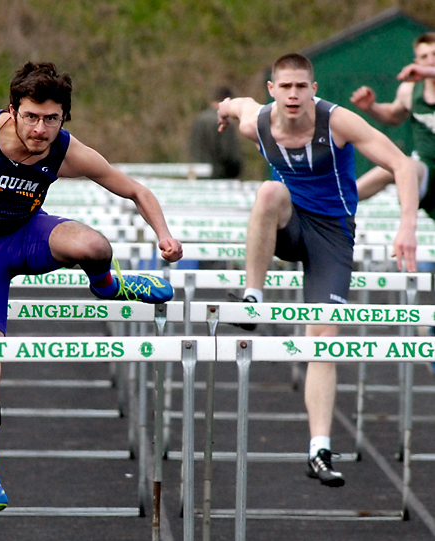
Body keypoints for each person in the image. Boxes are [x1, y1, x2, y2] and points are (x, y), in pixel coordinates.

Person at [0, 61, 183, 518]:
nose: (41, 130)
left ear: (64, 118)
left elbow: (134, 190)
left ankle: (108, 286)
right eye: (31, 117)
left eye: (52, 119)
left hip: (26, 234)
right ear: (12, 111)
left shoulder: (65, 151)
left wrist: (164, 235)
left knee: (94, 245)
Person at [217, 53, 418, 488]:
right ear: (273, 90)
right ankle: (252, 299)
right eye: (284, 87)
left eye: (301, 87)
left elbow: (401, 165)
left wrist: (406, 227)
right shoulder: (259, 122)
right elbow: (238, 106)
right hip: (290, 224)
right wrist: (223, 109)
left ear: (313, 88)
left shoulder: (338, 122)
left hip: (332, 236)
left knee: (323, 337)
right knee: (269, 191)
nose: (293, 95)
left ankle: (319, 450)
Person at [350, 33, 435, 220]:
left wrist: (428, 72)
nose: (430, 61)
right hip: (428, 170)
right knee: (398, 165)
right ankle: (335, 201)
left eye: (434, 55)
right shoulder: (410, 90)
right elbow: (393, 115)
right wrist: (371, 107)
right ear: (416, 61)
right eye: (424, 57)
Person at [190, 85, 243, 179]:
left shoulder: (198, 120)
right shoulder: (224, 122)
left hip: (199, 177)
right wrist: (236, 171)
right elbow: (229, 154)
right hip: (220, 178)